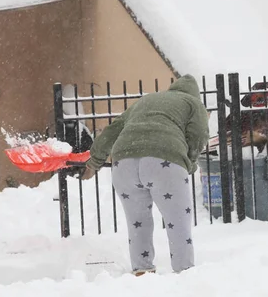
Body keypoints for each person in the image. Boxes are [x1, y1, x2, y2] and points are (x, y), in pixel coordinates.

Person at [80, 74, 209, 276]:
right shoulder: (193, 103)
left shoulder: (146, 100)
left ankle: (142, 270)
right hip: (165, 161)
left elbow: (113, 129)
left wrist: (96, 159)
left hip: (123, 162)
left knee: (137, 221)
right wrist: (190, 163)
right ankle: (185, 273)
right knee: (177, 221)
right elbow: (198, 135)